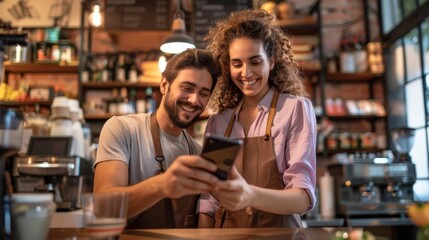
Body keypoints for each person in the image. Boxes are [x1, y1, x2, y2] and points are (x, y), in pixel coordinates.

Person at [198, 9, 317, 228]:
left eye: (255, 61)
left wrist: (250, 196)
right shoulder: (221, 123)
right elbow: (210, 199)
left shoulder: (293, 110)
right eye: (237, 64)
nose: (246, 73)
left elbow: (302, 198)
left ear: (271, 62)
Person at [93, 49, 222, 229]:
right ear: (164, 85)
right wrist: (163, 184)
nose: (194, 100)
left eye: (203, 93)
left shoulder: (198, 152)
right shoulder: (122, 129)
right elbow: (103, 208)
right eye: (187, 88)